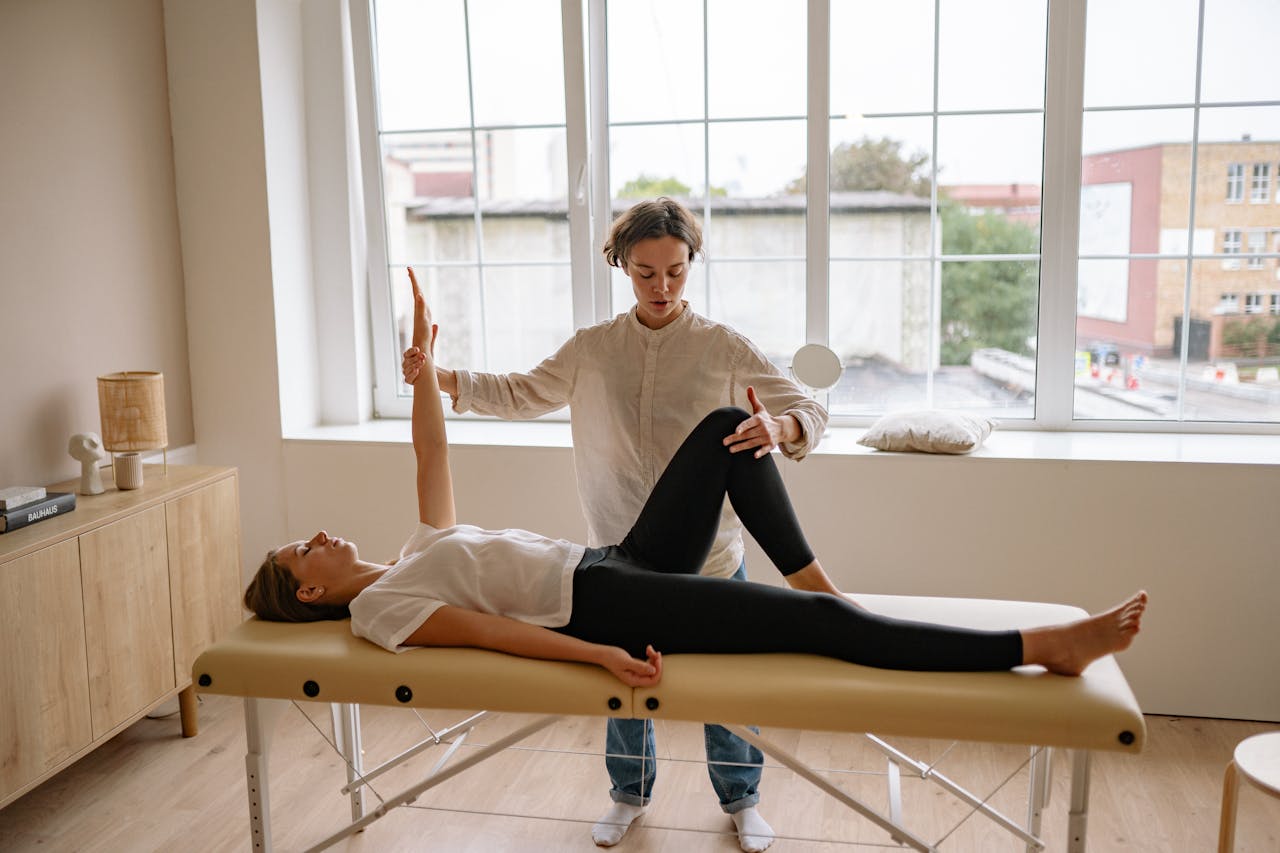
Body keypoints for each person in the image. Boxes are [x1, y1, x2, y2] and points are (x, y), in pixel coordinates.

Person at [247, 274, 1150, 848]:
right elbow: (489, 633)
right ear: (311, 589)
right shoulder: (378, 611)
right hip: (604, 609)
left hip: (616, 559)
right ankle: (1041, 644)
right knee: (831, 632)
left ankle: (809, 573)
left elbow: (430, 460)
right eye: (303, 549)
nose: (317, 531)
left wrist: (426, 364)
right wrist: (599, 657)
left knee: (728, 429)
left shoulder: (412, 550)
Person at [402, 197, 829, 851]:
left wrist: (782, 425)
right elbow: (521, 392)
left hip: (712, 559)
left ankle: (742, 799)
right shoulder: (593, 348)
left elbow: (807, 406)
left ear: (692, 265)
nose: (662, 287)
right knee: (625, 679)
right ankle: (628, 795)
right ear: (622, 266)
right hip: (623, 558)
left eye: (676, 272)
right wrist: (441, 376)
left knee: (726, 688)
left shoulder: (723, 347)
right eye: (646, 272)